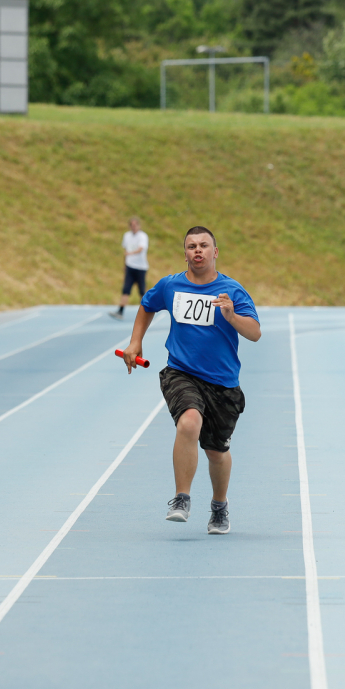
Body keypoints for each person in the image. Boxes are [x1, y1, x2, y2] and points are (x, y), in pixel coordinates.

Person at [120, 226, 261, 535]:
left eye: (204, 245)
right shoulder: (171, 286)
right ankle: (181, 498)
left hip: (223, 383)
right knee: (188, 422)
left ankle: (219, 506)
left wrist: (231, 316)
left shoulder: (232, 290)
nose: (198, 250)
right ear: (185, 254)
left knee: (216, 452)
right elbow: (147, 305)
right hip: (181, 372)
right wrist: (135, 341)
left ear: (215, 252)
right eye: (192, 246)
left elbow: (255, 333)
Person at [111, 217, 149, 319]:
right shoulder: (127, 236)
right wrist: (125, 264)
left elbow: (141, 249)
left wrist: (130, 253)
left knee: (142, 291)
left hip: (140, 267)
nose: (134, 227)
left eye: (135, 225)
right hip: (130, 266)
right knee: (126, 289)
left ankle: (146, 311)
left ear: (139, 226)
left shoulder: (143, 236)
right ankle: (120, 311)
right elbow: (125, 251)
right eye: (132, 225)